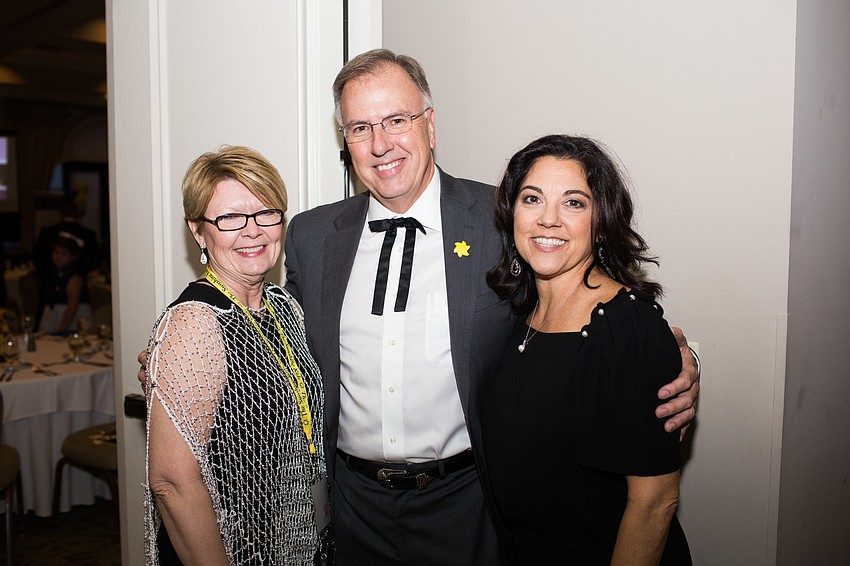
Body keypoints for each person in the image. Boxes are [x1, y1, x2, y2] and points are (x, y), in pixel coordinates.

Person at [283, 49, 699, 566]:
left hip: (469, 504)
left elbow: (589, 300)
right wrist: (195, 350)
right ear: (345, 140)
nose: (380, 143)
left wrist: (682, 358)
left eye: (396, 120)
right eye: (360, 127)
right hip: (353, 504)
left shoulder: (503, 220)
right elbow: (281, 345)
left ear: (430, 125)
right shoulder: (312, 235)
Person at [481, 134, 692, 564]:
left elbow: (655, 503)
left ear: (601, 220)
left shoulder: (625, 326)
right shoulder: (518, 317)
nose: (549, 220)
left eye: (574, 203)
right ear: (512, 213)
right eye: (532, 198)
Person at [143, 146, 330, 565]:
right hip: (224, 548)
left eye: (266, 212)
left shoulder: (285, 307)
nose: (253, 231)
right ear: (198, 231)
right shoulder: (194, 322)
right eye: (229, 218)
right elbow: (171, 482)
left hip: (289, 535)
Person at [37, 235, 93, 333]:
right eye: (55, 252)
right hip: (54, 313)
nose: (57, 256)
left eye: (63, 254)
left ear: (73, 257)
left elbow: (72, 306)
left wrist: (62, 328)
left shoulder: (74, 277)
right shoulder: (53, 273)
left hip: (70, 318)